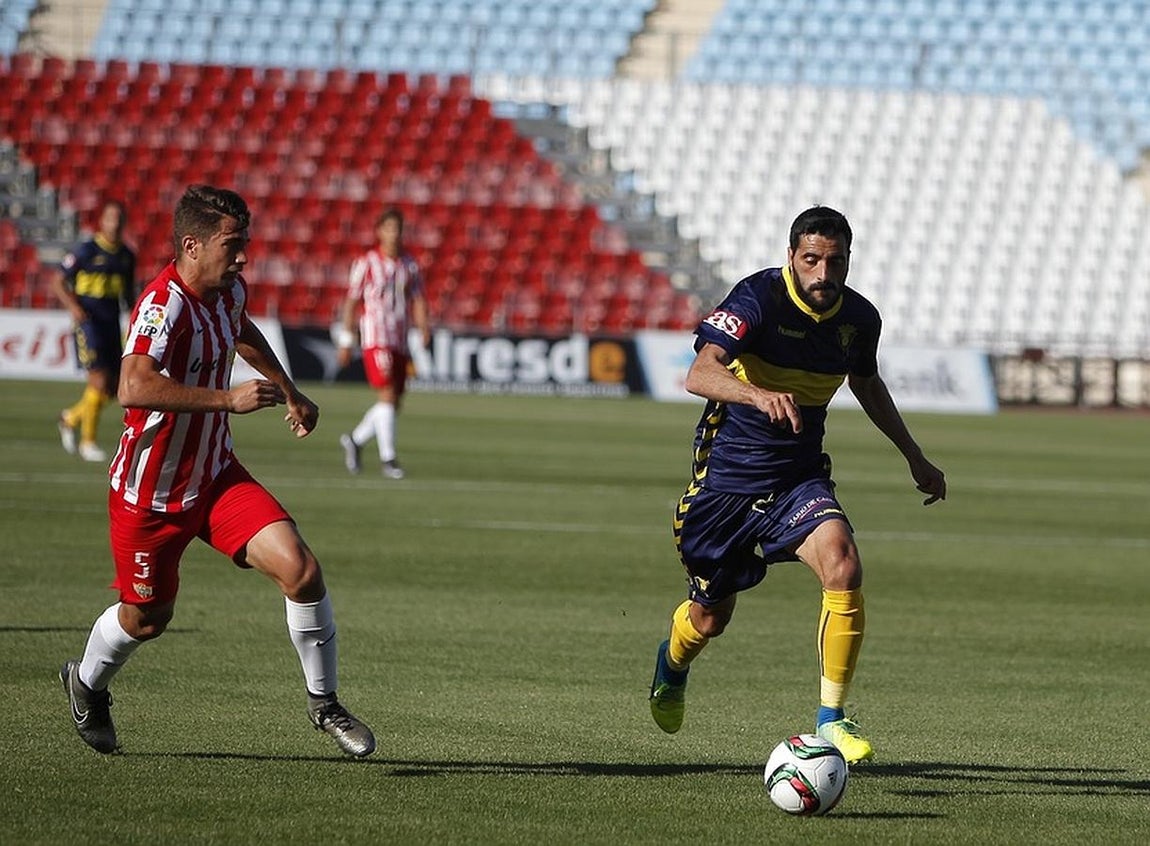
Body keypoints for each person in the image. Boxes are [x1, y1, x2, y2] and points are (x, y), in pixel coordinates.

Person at [59, 185, 375, 758]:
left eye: (244, 244)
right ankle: (85, 683)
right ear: (192, 246)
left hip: (214, 476)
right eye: (232, 245)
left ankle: (324, 702)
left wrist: (290, 391)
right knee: (147, 618)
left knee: (301, 571)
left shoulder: (228, 290)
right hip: (149, 494)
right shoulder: (164, 303)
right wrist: (226, 400)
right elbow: (132, 386)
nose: (243, 257)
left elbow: (242, 332)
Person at [647, 206, 946, 763]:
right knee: (710, 618)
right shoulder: (756, 299)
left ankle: (831, 717)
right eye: (811, 260)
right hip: (727, 485)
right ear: (791, 257)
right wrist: (757, 395)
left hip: (797, 478)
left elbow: (867, 383)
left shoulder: (859, 320)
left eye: (835, 262)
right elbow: (699, 372)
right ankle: (673, 664)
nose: (823, 275)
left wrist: (914, 456)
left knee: (844, 562)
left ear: (848, 262)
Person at [336, 207, 430, 479]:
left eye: (398, 228)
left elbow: (419, 298)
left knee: (395, 401)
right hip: (375, 336)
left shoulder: (409, 264)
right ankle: (389, 459)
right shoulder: (366, 263)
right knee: (387, 394)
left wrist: (424, 327)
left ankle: (355, 440)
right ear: (379, 231)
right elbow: (352, 301)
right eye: (389, 228)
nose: (394, 233)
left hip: (399, 338)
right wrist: (346, 339)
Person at [53, 199, 137, 463]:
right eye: (111, 218)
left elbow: (129, 295)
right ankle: (88, 442)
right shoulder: (86, 250)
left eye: (119, 218)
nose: (115, 223)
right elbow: (57, 281)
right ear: (102, 221)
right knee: (98, 381)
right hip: (89, 321)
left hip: (111, 321)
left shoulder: (126, 255)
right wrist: (74, 308)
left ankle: (71, 419)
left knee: (113, 388)